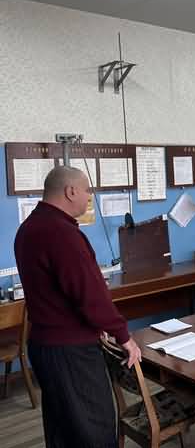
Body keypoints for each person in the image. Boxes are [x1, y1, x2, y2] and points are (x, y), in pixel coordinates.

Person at [14, 166, 141, 448]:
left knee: (63, 429)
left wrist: (97, 325)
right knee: (93, 429)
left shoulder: (29, 227)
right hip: (70, 353)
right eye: (86, 191)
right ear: (70, 191)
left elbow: (63, 293)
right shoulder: (61, 233)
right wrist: (123, 336)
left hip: (45, 346)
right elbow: (89, 294)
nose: (88, 197)